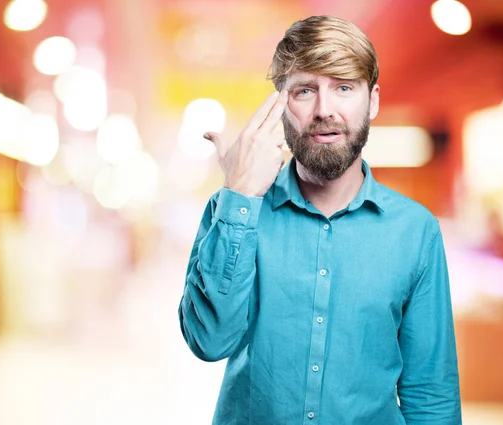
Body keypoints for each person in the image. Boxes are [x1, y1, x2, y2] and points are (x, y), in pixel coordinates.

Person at [178, 15, 461, 425]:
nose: (324, 110)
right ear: (279, 103)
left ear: (373, 100)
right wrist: (239, 195)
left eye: (344, 88)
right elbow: (208, 341)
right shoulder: (233, 210)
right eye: (305, 90)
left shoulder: (415, 231)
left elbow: (430, 396)